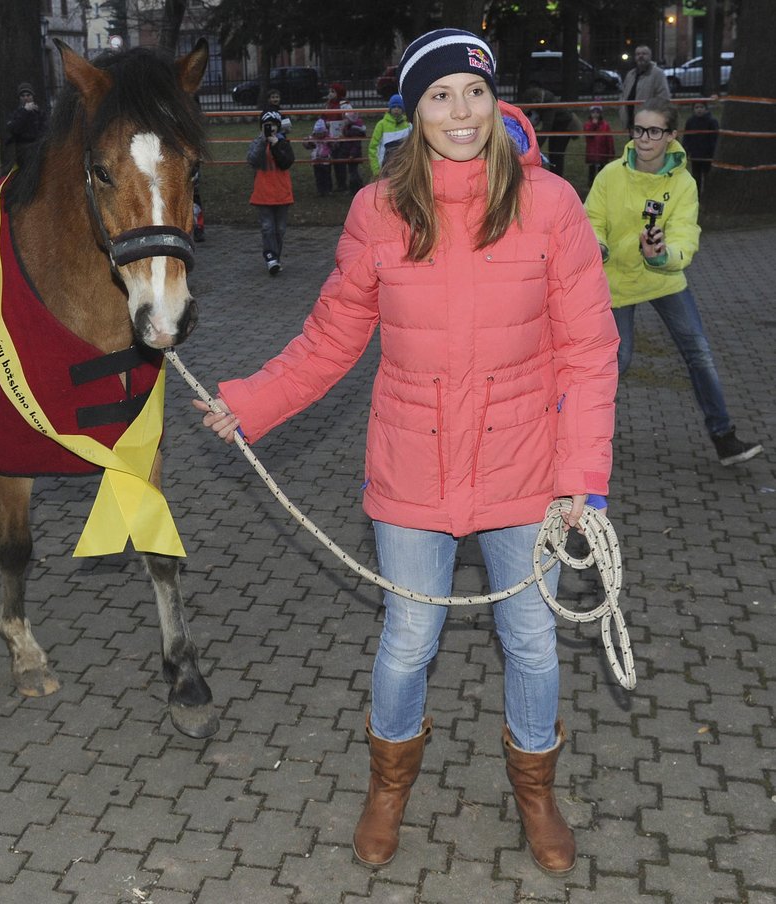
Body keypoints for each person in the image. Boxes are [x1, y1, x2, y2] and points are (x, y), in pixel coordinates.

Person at [195, 27, 618, 876]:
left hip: (525, 468)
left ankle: (536, 790)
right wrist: (251, 403)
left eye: (474, 92)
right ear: (414, 112)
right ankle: (388, 783)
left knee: (531, 642)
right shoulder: (377, 211)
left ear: (497, 102)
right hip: (412, 466)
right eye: (439, 95)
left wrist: (582, 480)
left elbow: (589, 350)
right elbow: (330, 339)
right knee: (408, 642)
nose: (461, 111)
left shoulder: (551, 206)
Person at [585, 97, 762, 467]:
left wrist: (663, 255)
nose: (644, 138)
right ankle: (577, 435)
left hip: (664, 279)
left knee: (699, 353)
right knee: (619, 359)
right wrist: (598, 246)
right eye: (638, 129)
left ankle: (724, 438)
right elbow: (592, 220)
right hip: (616, 281)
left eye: (654, 131)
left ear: (671, 135)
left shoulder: (683, 183)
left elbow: (685, 235)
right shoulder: (610, 175)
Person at [247, 109, 294, 276]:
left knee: (280, 229)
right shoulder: (258, 143)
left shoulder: (282, 143)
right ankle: (270, 257)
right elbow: (253, 160)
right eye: (267, 126)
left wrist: (276, 144)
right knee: (267, 228)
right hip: (263, 193)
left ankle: (276, 257)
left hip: (282, 193)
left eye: (273, 126)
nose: (270, 129)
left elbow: (286, 162)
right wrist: (262, 140)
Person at [522, 83, 580, 179]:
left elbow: (547, 127)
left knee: (557, 153)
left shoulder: (549, 104)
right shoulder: (543, 101)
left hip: (565, 127)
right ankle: (555, 175)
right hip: (556, 126)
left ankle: (557, 177)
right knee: (553, 152)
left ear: (535, 100)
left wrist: (535, 147)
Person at [619, 45, 670, 128]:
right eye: (638, 54)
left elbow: (664, 97)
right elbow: (623, 95)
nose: (640, 56)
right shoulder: (630, 75)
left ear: (650, 56)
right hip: (632, 122)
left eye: (644, 54)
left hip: (649, 123)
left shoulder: (657, 74)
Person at [5, 82, 48, 170]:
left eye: (28, 95)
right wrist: (25, 112)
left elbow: (45, 130)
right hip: (22, 152)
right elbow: (15, 129)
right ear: (19, 98)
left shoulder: (40, 113)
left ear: (32, 96)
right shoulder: (16, 113)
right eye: (23, 96)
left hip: (37, 151)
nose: (26, 98)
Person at [368, 94, 411, 179]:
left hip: (403, 169)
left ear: (403, 109)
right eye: (394, 107)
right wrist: (376, 169)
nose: (396, 109)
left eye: (399, 107)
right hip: (384, 169)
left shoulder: (408, 126)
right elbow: (373, 148)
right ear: (390, 108)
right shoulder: (381, 125)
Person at [681, 100, 720, 192]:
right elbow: (687, 137)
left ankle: (708, 193)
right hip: (695, 155)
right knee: (696, 176)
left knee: (707, 175)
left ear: (706, 109)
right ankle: (696, 194)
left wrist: (714, 152)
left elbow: (715, 138)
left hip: (708, 155)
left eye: (701, 107)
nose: (699, 110)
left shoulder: (712, 121)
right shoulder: (690, 122)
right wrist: (685, 151)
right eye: (696, 107)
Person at [583, 105, 615, 187]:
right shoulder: (588, 125)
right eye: (593, 112)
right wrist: (594, 125)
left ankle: (602, 183)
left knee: (602, 169)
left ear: (600, 113)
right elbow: (588, 134)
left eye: (597, 112)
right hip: (592, 153)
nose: (595, 114)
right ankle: (591, 183)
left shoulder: (605, 125)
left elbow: (609, 139)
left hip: (602, 152)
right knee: (592, 169)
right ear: (590, 113)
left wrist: (611, 151)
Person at [304, 116, 333, 195]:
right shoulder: (312, 138)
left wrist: (330, 141)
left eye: (321, 133)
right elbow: (306, 145)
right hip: (316, 161)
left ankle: (328, 189)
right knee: (318, 176)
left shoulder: (328, 138)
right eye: (317, 133)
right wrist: (306, 141)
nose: (319, 135)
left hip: (326, 160)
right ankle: (320, 190)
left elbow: (334, 144)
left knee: (327, 176)